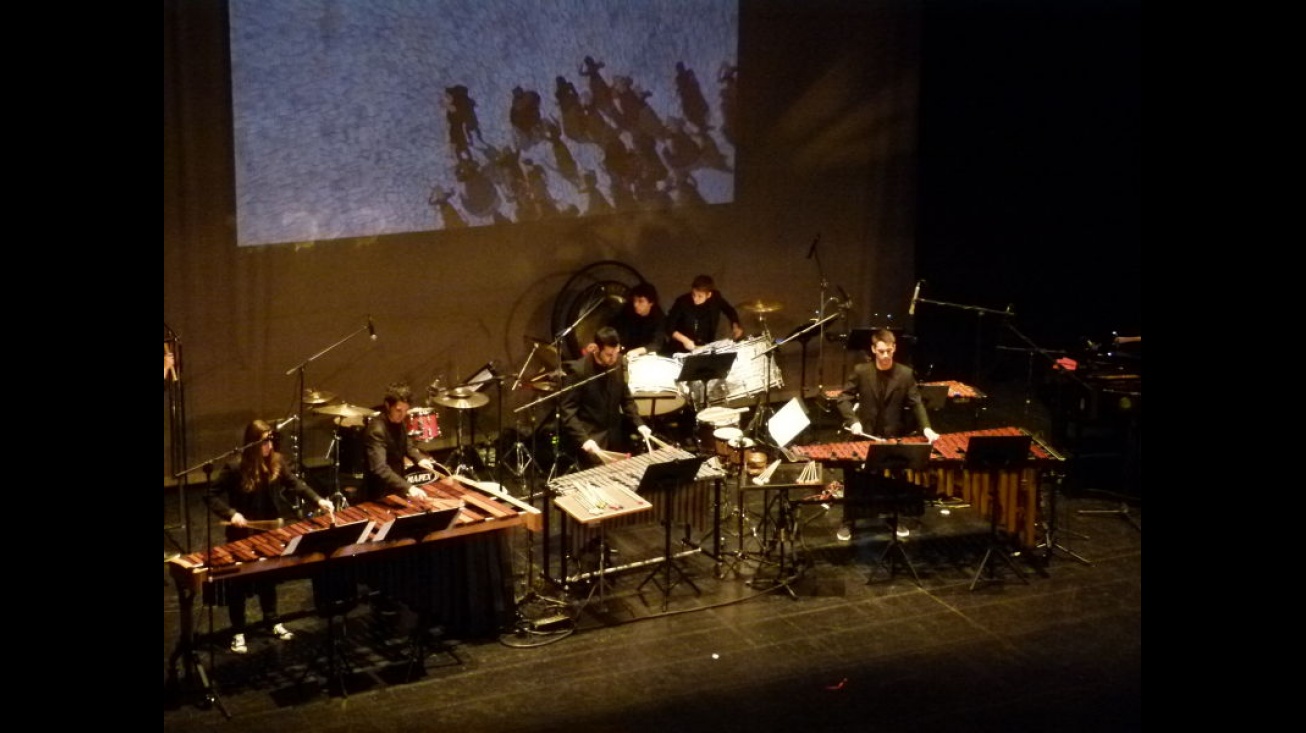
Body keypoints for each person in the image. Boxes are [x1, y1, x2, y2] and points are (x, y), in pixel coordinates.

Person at [206, 419, 335, 653]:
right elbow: (211, 495)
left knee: (268, 577)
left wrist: (318, 499)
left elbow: (295, 484)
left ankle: (272, 620)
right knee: (239, 583)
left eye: (271, 440)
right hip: (241, 533)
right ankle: (238, 631)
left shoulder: (277, 462)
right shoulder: (235, 468)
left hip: (270, 531)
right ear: (253, 443)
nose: (270, 445)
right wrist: (231, 513)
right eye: (265, 441)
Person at [834, 329, 939, 540]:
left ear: (894, 348)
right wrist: (853, 421)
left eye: (888, 351)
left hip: (893, 436)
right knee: (856, 480)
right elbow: (843, 398)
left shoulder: (905, 374)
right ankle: (849, 521)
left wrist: (927, 427)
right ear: (873, 349)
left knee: (895, 479)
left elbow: (916, 402)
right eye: (880, 351)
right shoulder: (861, 371)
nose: (885, 356)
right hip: (865, 435)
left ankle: (895, 517)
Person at [558, 326, 653, 467]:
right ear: (596, 349)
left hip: (615, 437)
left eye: (617, 353)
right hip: (592, 440)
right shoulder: (579, 371)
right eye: (609, 355)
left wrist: (639, 423)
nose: (614, 358)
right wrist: (584, 439)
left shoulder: (619, 362)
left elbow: (626, 398)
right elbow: (567, 410)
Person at [361, 382, 448, 504]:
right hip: (380, 492)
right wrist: (409, 487)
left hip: (396, 485)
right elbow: (379, 468)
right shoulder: (376, 430)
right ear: (387, 405)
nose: (402, 415)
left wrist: (419, 459)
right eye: (398, 410)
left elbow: (407, 444)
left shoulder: (398, 421)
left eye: (405, 410)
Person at [663, 274, 743, 355]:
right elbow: (669, 327)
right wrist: (685, 340)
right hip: (680, 348)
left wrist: (735, 326)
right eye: (693, 294)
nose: (695, 299)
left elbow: (730, 310)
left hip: (704, 345)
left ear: (709, 295)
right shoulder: (682, 302)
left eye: (700, 296)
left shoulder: (716, 299)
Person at [607, 281, 667, 358]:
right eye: (634, 300)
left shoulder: (659, 317)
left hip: (646, 354)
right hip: (626, 350)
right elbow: (612, 326)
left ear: (651, 303)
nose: (635, 304)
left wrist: (637, 351)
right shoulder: (627, 310)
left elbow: (656, 343)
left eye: (640, 301)